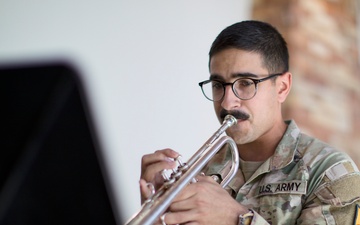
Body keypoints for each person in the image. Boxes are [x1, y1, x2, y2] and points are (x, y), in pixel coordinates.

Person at [139, 20, 360, 225]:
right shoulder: (202, 174)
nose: (227, 102)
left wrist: (237, 218)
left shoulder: (333, 173)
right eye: (218, 84)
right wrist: (160, 216)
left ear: (282, 87)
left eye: (245, 82)